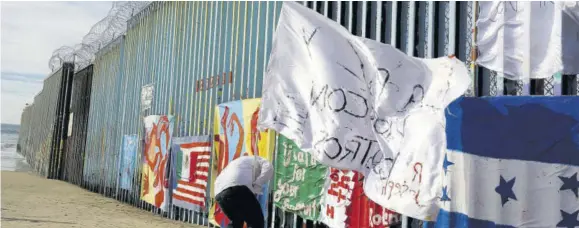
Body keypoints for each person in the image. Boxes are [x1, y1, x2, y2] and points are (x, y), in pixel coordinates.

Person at [214, 155, 273, 228]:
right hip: (237, 187)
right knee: (256, 221)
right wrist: (257, 185)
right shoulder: (264, 162)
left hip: (219, 193)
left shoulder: (240, 162)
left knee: (236, 221)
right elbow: (269, 169)